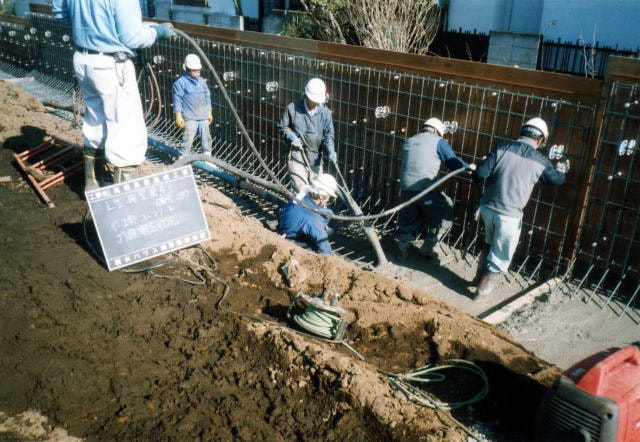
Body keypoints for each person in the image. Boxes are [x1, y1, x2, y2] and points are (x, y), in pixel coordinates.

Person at [52, 0, 175, 189]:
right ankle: (123, 196)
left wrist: (93, 27)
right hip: (111, 64)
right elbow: (132, 39)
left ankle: (92, 184)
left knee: (95, 119)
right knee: (126, 129)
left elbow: (60, 14)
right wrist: (157, 32)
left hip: (84, 59)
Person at [474, 117, 568, 297]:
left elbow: (481, 173)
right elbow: (555, 180)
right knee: (501, 255)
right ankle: (481, 293)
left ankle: (477, 277)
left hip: (486, 209)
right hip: (509, 216)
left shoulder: (501, 147)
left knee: (488, 241)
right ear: (540, 140)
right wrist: (562, 170)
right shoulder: (540, 160)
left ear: (522, 132)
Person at [396, 117, 472, 261]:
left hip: (406, 189)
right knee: (446, 209)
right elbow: (452, 161)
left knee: (407, 219)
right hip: (425, 190)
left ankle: (402, 251)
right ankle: (428, 247)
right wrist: (469, 169)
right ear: (437, 131)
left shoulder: (409, 141)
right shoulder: (439, 142)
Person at [277, 78, 337, 192]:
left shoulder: (325, 113)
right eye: (312, 100)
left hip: (315, 159)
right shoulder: (293, 108)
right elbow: (282, 126)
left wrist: (331, 149)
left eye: (317, 101)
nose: (315, 103)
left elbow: (328, 136)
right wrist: (291, 136)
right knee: (302, 191)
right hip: (296, 155)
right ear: (306, 95)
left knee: (317, 191)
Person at [277, 173, 338, 255]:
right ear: (321, 197)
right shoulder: (313, 219)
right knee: (316, 252)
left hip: (285, 228)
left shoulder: (300, 196)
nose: (328, 200)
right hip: (292, 240)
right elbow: (324, 247)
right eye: (328, 197)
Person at [172, 54, 213, 157]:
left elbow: (207, 96)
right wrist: (178, 115)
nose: (197, 73)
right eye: (194, 71)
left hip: (202, 115)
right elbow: (177, 100)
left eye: (198, 70)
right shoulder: (180, 83)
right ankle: (182, 157)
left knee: (206, 137)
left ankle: (207, 155)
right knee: (188, 137)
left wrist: (209, 112)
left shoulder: (202, 82)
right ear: (186, 69)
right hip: (189, 116)